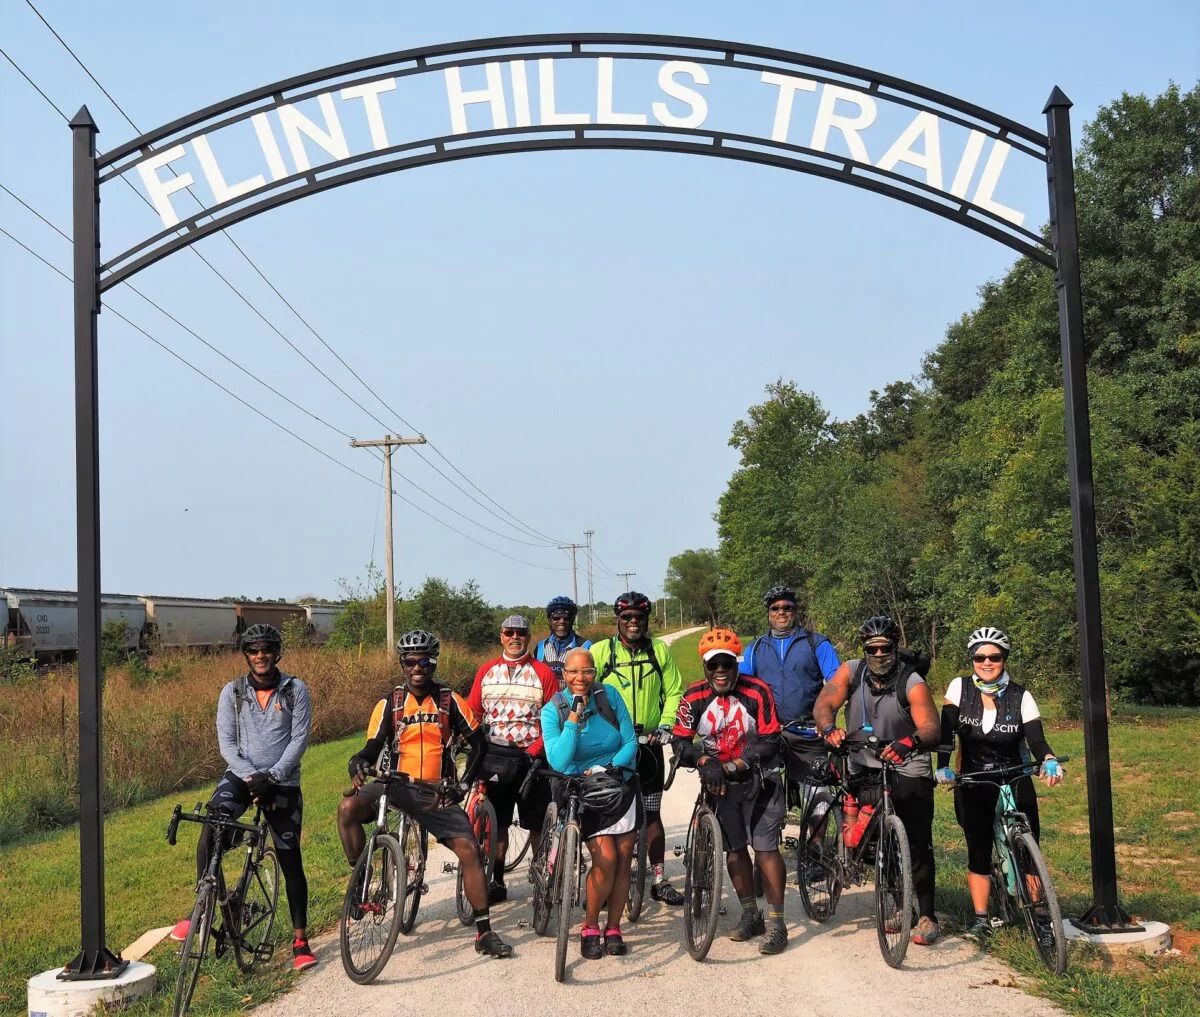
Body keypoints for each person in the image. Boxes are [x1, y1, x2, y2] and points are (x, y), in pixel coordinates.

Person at [337, 629, 514, 959]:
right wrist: (357, 762)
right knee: (347, 809)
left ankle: (484, 932)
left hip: (436, 792)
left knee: (470, 851)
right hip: (396, 784)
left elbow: (479, 744)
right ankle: (362, 881)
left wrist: (463, 785)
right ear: (402, 664)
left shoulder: (449, 700)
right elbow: (372, 746)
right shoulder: (390, 703)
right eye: (411, 661)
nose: (418, 667)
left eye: (425, 660)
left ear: (434, 662)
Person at [168, 624, 317, 971]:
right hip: (241, 775)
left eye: (266, 649)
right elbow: (228, 745)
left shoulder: (295, 690)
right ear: (246, 655)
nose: (260, 655)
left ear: (277, 653)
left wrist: (273, 777)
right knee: (213, 825)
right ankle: (201, 912)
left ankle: (300, 941)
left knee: (290, 859)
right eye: (253, 650)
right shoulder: (231, 692)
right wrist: (252, 778)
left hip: (282, 782)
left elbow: (299, 741)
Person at [813, 614, 943, 946]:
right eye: (873, 648)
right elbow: (825, 702)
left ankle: (927, 915)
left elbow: (930, 726)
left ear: (895, 648)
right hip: (863, 764)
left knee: (916, 841)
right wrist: (829, 728)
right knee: (879, 843)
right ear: (865, 649)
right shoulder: (852, 671)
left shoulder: (911, 681)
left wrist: (909, 742)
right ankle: (899, 905)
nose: (880, 654)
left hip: (906, 765)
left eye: (886, 647)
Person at [936, 626, 1065, 944]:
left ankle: (1042, 919)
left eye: (994, 657)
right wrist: (942, 768)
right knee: (978, 849)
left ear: (1004, 659)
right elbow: (945, 735)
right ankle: (982, 919)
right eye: (980, 657)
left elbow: (1036, 738)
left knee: (1029, 848)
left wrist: (1048, 758)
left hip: (1015, 775)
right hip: (974, 779)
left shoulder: (1022, 696)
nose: (987, 662)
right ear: (973, 660)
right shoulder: (959, 688)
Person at [671, 629, 789, 954]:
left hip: (760, 781)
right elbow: (679, 740)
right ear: (705, 668)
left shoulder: (757, 691)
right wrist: (704, 759)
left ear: (737, 665)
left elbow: (770, 739)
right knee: (734, 851)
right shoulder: (694, 697)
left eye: (727, 664)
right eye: (714, 666)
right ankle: (752, 915)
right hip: (719, 786)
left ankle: (778, 925)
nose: (721, 671)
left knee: (765, 850)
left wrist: (737, 764)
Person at [541, 647, 640, 959]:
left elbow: (629, 742)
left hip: (618, 781)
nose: (580, 678)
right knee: (606, 858)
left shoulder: (609, 696)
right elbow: (558, 758)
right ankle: (589, 925)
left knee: (624, 856)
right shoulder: (552, 710)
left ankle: (613, 927)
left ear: (595, 672)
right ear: (564, 674)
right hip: (581, 788)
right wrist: (573, 716)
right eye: (572, 672)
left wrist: (609, 770)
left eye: (586, 671)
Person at [592, 591, 686, 905]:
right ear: (617, 619)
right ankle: (606, 879)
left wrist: (666, 724)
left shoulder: (658, 650)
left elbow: (673, 690)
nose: (633, 623)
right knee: (609, 814)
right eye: (627, 617)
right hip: (612, 747)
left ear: (646, 620)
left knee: (652, 814)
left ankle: (659, 879)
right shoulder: (601, 651)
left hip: (649, 744)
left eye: (639, 618)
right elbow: (585, 688)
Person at [468, 614, 558, 903]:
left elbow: (553, 720)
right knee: (498, 823)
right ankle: (496, 881)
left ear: (529, 637)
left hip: (532, 758)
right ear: (501, 637)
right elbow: (473, 713)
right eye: (509, 633)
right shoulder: (486, 671)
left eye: (521, 633)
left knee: (536, 823)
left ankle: (541, 876)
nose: (515, 637)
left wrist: (535, 751)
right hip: (496, 758)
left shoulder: (543, 673)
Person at [534, 596, 592, 685]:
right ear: (550, 620)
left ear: (572, 620)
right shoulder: (540, 647)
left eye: (567, 618)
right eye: (556, 618)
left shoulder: (586, 646)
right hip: (547, 698)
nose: (562, 621)